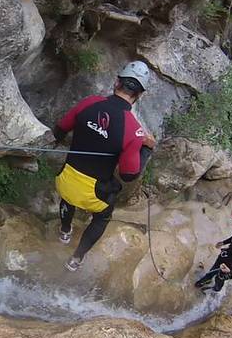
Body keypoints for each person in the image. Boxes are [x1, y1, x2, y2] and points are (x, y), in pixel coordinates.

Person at [53, 60, 156, 272]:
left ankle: (64, 231)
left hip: (65, 180)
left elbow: (60, 129)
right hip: (92, 195)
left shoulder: (89, 103)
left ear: (116, 82)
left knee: (69, 192)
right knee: (102, 216)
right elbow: (129, 175)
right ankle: (76, 258)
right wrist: (146, 149)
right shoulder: (134, 131)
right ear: (140, 95)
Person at [194, 205, 232, 292]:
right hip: (227, 256)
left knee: (220, 278)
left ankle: (215, 290)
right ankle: (206, 280)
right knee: (214, 269)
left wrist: (230, 271)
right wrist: (223, 242)